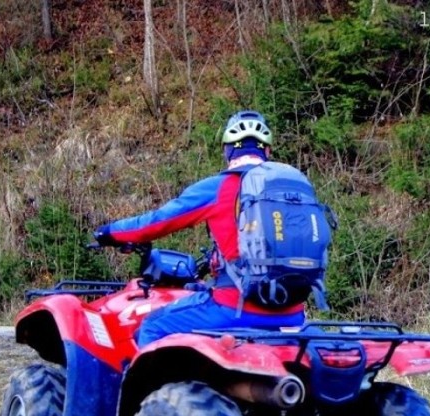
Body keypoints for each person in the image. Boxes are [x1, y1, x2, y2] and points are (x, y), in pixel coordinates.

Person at [94, 110, 307, 347]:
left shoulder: (219, 188)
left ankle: (153, 385)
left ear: (228, 150)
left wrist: (110, 232)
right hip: (293, 314)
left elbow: (156, 222)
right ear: (267, 151)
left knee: (152, 327)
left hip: (232, 308)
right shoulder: (296, 191)